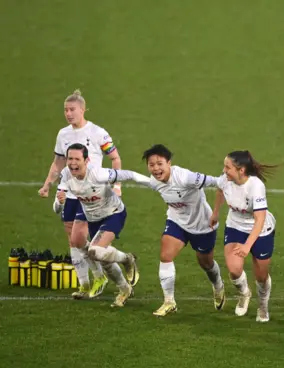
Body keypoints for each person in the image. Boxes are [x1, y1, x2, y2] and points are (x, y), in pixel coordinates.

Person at [39, 90, 135, 300]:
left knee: (85, 242)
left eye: (72, 109)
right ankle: (90, 281)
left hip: (91, 195)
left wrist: (117, 186)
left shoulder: (98, 132)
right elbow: (58, 163)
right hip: (70, 191)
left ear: (82, 110)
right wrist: (48, 185)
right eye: (65, 110)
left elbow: (115, 159)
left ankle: (106, 275)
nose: (68, 113)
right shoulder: (63, 135)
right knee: (74, 241)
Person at [123, 144, 227, 316]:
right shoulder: (155, 182)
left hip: (202, 225)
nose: (156, 168)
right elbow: (137, 178)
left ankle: (218, 285)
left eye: (159, 163)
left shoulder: (186, 177)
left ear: (169, 163)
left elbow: (216, 182)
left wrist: (226, 179)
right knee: (165, 255)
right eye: (151, 164)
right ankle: (169, 301)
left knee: (206, 263)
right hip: (177, 222)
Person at [55, 144, 143, 308]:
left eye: (77, 159)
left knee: (95, 251)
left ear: (86, 160)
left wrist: (154, 182)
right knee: (94, 252)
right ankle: (124, 289)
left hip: (112, 212)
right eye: (70, 159)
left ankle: (126, 260)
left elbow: (127, 174)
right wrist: (59, 202)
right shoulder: (66, 174)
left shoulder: (97, 173)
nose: (73, 162)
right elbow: (56, 208)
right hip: (91, 213)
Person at [211, 151, 277, 322]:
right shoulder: (225, 180)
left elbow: (260, 218)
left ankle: (262, 307)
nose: (224, 170)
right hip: (235, 226)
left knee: (261, 276)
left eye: (228, 167)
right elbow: (219, 189)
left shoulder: (255, 186)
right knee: (234, 270)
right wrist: (216, 212)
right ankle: (244, 293)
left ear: (241, 170)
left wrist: (248, 245)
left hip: (261, 230)